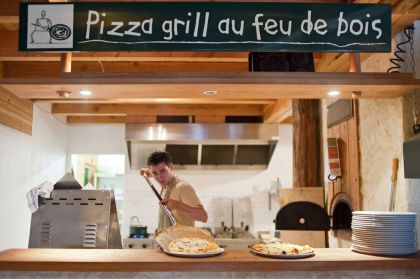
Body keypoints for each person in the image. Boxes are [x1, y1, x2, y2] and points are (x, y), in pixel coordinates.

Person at [140, 151, 208, 230]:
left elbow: (203, 217)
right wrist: (149, 173)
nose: (159, 177)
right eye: (155, 173)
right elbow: (158, 173)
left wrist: (178, 205)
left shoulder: (182, 187)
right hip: (168, 241)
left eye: (163, 171)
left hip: (182, 242)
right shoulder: (165, 185)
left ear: (171, 167)